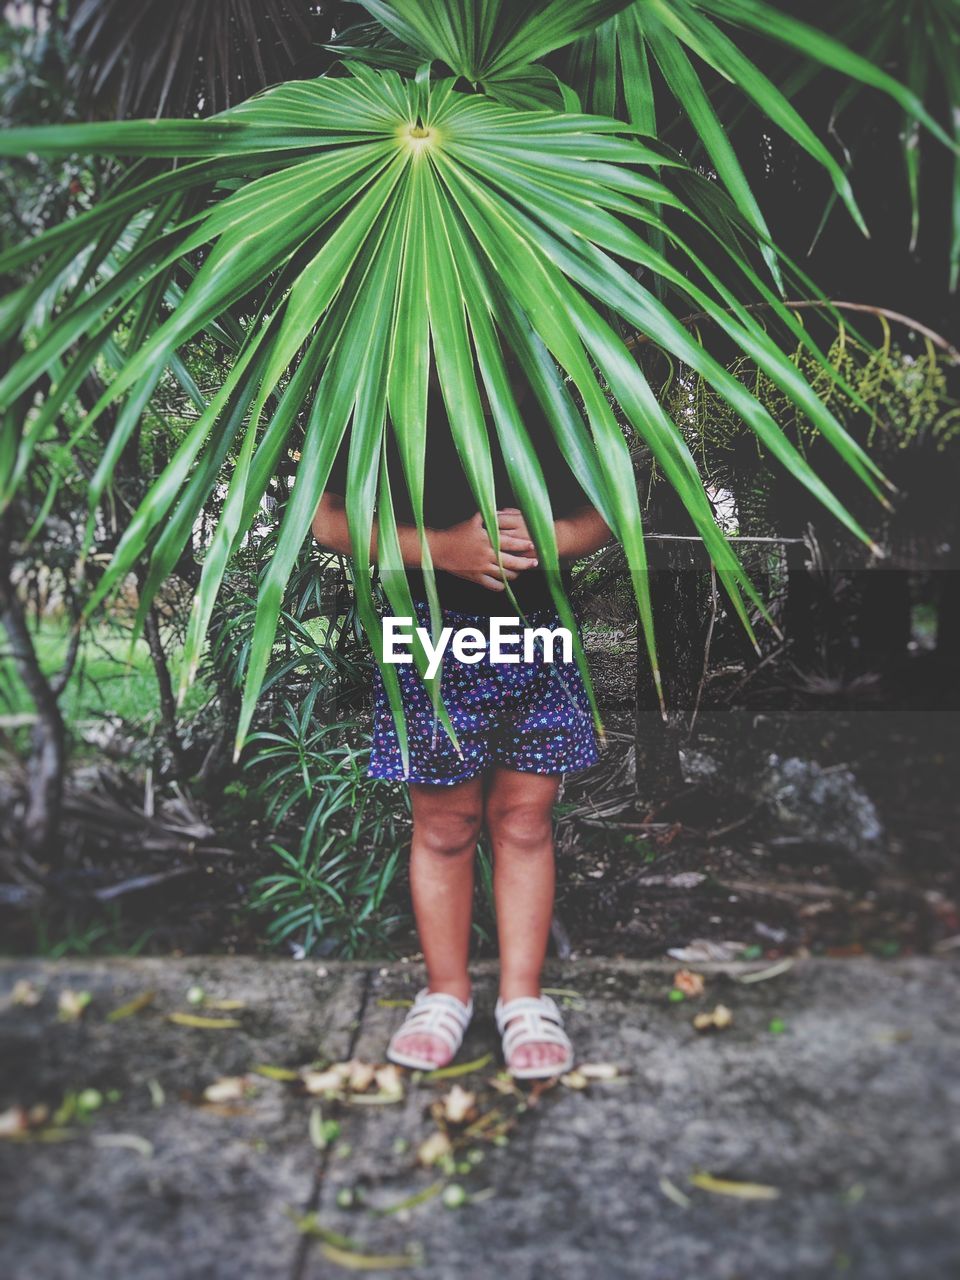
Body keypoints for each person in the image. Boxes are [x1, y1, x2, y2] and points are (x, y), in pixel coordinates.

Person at [311, 359, 611, 1079]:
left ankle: (522, 999)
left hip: (538, 634)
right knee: (445, 828)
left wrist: (549, 541)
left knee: (525, 822)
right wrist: (443, 550)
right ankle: (445, 992)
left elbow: (608, 515)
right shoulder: (381, 384)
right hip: (429, 638)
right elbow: (327, 523)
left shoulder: (548, 381)